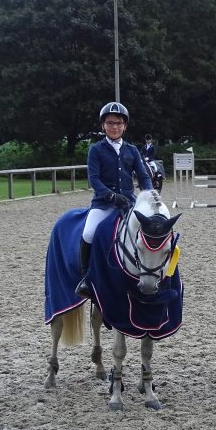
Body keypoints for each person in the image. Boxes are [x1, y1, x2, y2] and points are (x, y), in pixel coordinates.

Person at [75, 102, 154, 299]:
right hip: (103, 203)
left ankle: (150, 272)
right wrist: (110, 195)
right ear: (103, 126)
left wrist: (151, 194)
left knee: (150, 231)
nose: (114, 126)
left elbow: (143, 176)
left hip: (129, 202)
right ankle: (85, 278)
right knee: (89, 232)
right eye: (110, 123)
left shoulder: (132, 150)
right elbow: (94, 178)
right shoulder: (96, 149)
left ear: (124, 126)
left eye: (118, 123)